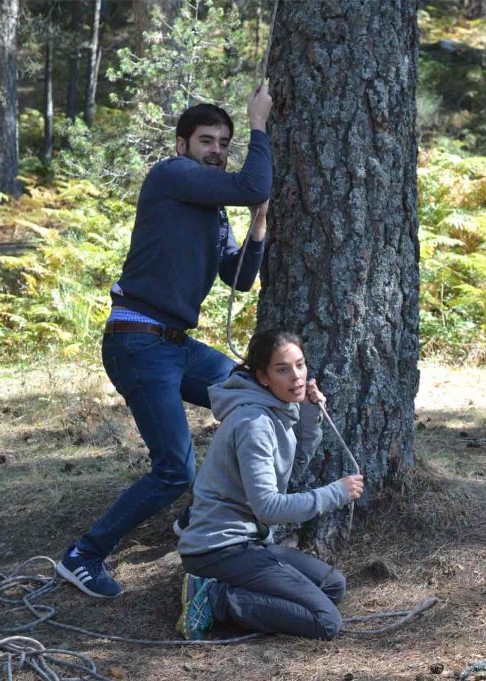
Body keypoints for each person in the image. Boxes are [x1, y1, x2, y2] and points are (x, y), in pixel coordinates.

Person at [56, 84, 273, 599]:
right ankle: (83, 555)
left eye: (224, 142)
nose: (216, 150)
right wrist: (258, 124)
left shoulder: (212, 210)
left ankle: (195, 517)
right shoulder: (171, 176)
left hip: (177, 346)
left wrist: (259, 225)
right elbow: (251, 182)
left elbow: (237, 278)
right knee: (175, 467)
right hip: (139, 342)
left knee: (252, 396)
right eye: (206, 141)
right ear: (182, 145)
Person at [174, 329, 365, 641]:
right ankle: (214, 599)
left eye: (300, 365)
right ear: (263, 377)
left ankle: (232, 591)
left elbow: (295, 466)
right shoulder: (254, 423)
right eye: (282, 369)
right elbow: (269, 507)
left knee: (332, 585)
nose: (296, 377)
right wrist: (337, 493)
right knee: (326, 621)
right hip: (218, 550)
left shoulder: (275, 411)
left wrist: (309, 413)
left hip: (249, 543)